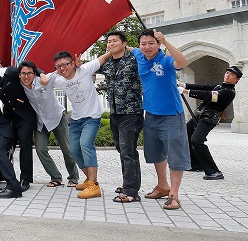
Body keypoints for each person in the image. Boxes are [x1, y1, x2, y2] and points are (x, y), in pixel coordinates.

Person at [131, 29, 189, 211]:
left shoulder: (166, 60)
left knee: (175, 154)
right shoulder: (139, 55)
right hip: (151, 114)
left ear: (158, 45)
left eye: (151, 43)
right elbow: (128, 48)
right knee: (156, 153)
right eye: (143, 44)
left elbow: (182, 62)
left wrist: (165, 40)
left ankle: (174, 194)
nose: (147, 47)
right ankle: (163, 186)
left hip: (171, 114)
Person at [45, 51, 110, 200]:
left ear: (73, 63)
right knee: (74, 150)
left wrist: (121, 47)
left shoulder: (86, 69)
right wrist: (45, 77)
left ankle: (93, 186)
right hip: (75, 119)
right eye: (58, 66)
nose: (62, 68)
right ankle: (90, 180)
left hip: (92, 117)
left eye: (65, 64)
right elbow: (42, 77)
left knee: (85, 144)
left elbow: (103, 56)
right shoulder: (58, 78)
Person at [96, 31, 144, 203]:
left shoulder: (134, 60)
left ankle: (131, 191)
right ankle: (129, 184)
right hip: (115, 112)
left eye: (115, 41)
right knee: (122, 150)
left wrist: (130, 49)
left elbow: (144, 53)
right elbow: (95, 65)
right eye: (109, 42)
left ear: (124, 43)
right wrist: (109, 52)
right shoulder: (108, 63)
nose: (111, 44)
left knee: (127, 151)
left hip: (131, 112)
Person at [18, 60, 79, 188]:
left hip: (57, 117)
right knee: (40, 149)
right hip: (41, 121)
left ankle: (73, 177)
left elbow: (61, 72)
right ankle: (56, 177)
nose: (26, 76)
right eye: (23, 73)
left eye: (29, 73)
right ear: (19, 75)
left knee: (67, 149)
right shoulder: (19, 85)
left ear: (34, 74)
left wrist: (76, 66)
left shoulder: (45, 80)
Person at [0, 59, 36, 191]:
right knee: (1, 141)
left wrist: (42, 74)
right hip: (8, 117)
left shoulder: (10, 72)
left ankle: (25, 178)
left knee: (24, 143)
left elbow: (27, 70)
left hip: (25, 116)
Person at [179, 65, 242, 180]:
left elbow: (208, 95)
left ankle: (214, 172)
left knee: (197, 140)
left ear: (236, 80)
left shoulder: (229, 92)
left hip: (209, 119)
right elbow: (204, 87)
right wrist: (183, 84)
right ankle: (196, 164)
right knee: (186, 134)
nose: (228, 75)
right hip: (199, 116)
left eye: (232, 75)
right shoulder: (218, 86)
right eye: (227, 73)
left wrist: (185, 91)